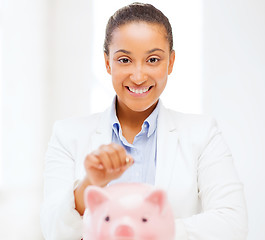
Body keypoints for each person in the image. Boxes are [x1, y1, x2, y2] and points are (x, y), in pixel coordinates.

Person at [40, 2, 247, 240]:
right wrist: (90, 183)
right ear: (108, 63)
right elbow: (52, 231)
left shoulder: (203, 134)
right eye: (124, 60)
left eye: (153, 60)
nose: (138, 76)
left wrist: (147, 229)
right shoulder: (67, 135)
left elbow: (233, 223)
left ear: (170, 62)